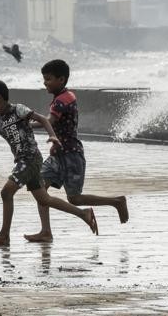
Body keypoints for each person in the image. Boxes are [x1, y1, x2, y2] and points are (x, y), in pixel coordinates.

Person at [0, 79, 98, 246]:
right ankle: (83, 214)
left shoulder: (18, 110)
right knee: (45, 199)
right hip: (24, 161)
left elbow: (43, 119)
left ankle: (4, 236)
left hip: (30, 160)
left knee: (6, 193)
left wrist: (53, 136)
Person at [25, 59, 128, 243]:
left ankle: (116, 201)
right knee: (40, 190)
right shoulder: (65, 97)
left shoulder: (62, 100)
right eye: (44, 79)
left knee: (75, 198)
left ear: (61, 79)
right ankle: (46, 232)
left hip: (71, 155)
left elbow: (51, 120)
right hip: (57, 155)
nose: (45, 83)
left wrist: (27, 125)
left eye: (48, 79)